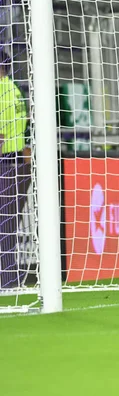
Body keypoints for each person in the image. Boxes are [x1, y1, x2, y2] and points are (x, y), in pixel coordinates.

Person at [0, 51, 30, 288]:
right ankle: (10, 278)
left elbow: (0, 133)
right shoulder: (15, 90)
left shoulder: (1, 92)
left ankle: (6, 279)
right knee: (9, 225)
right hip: (16, 161)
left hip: (4, 163)